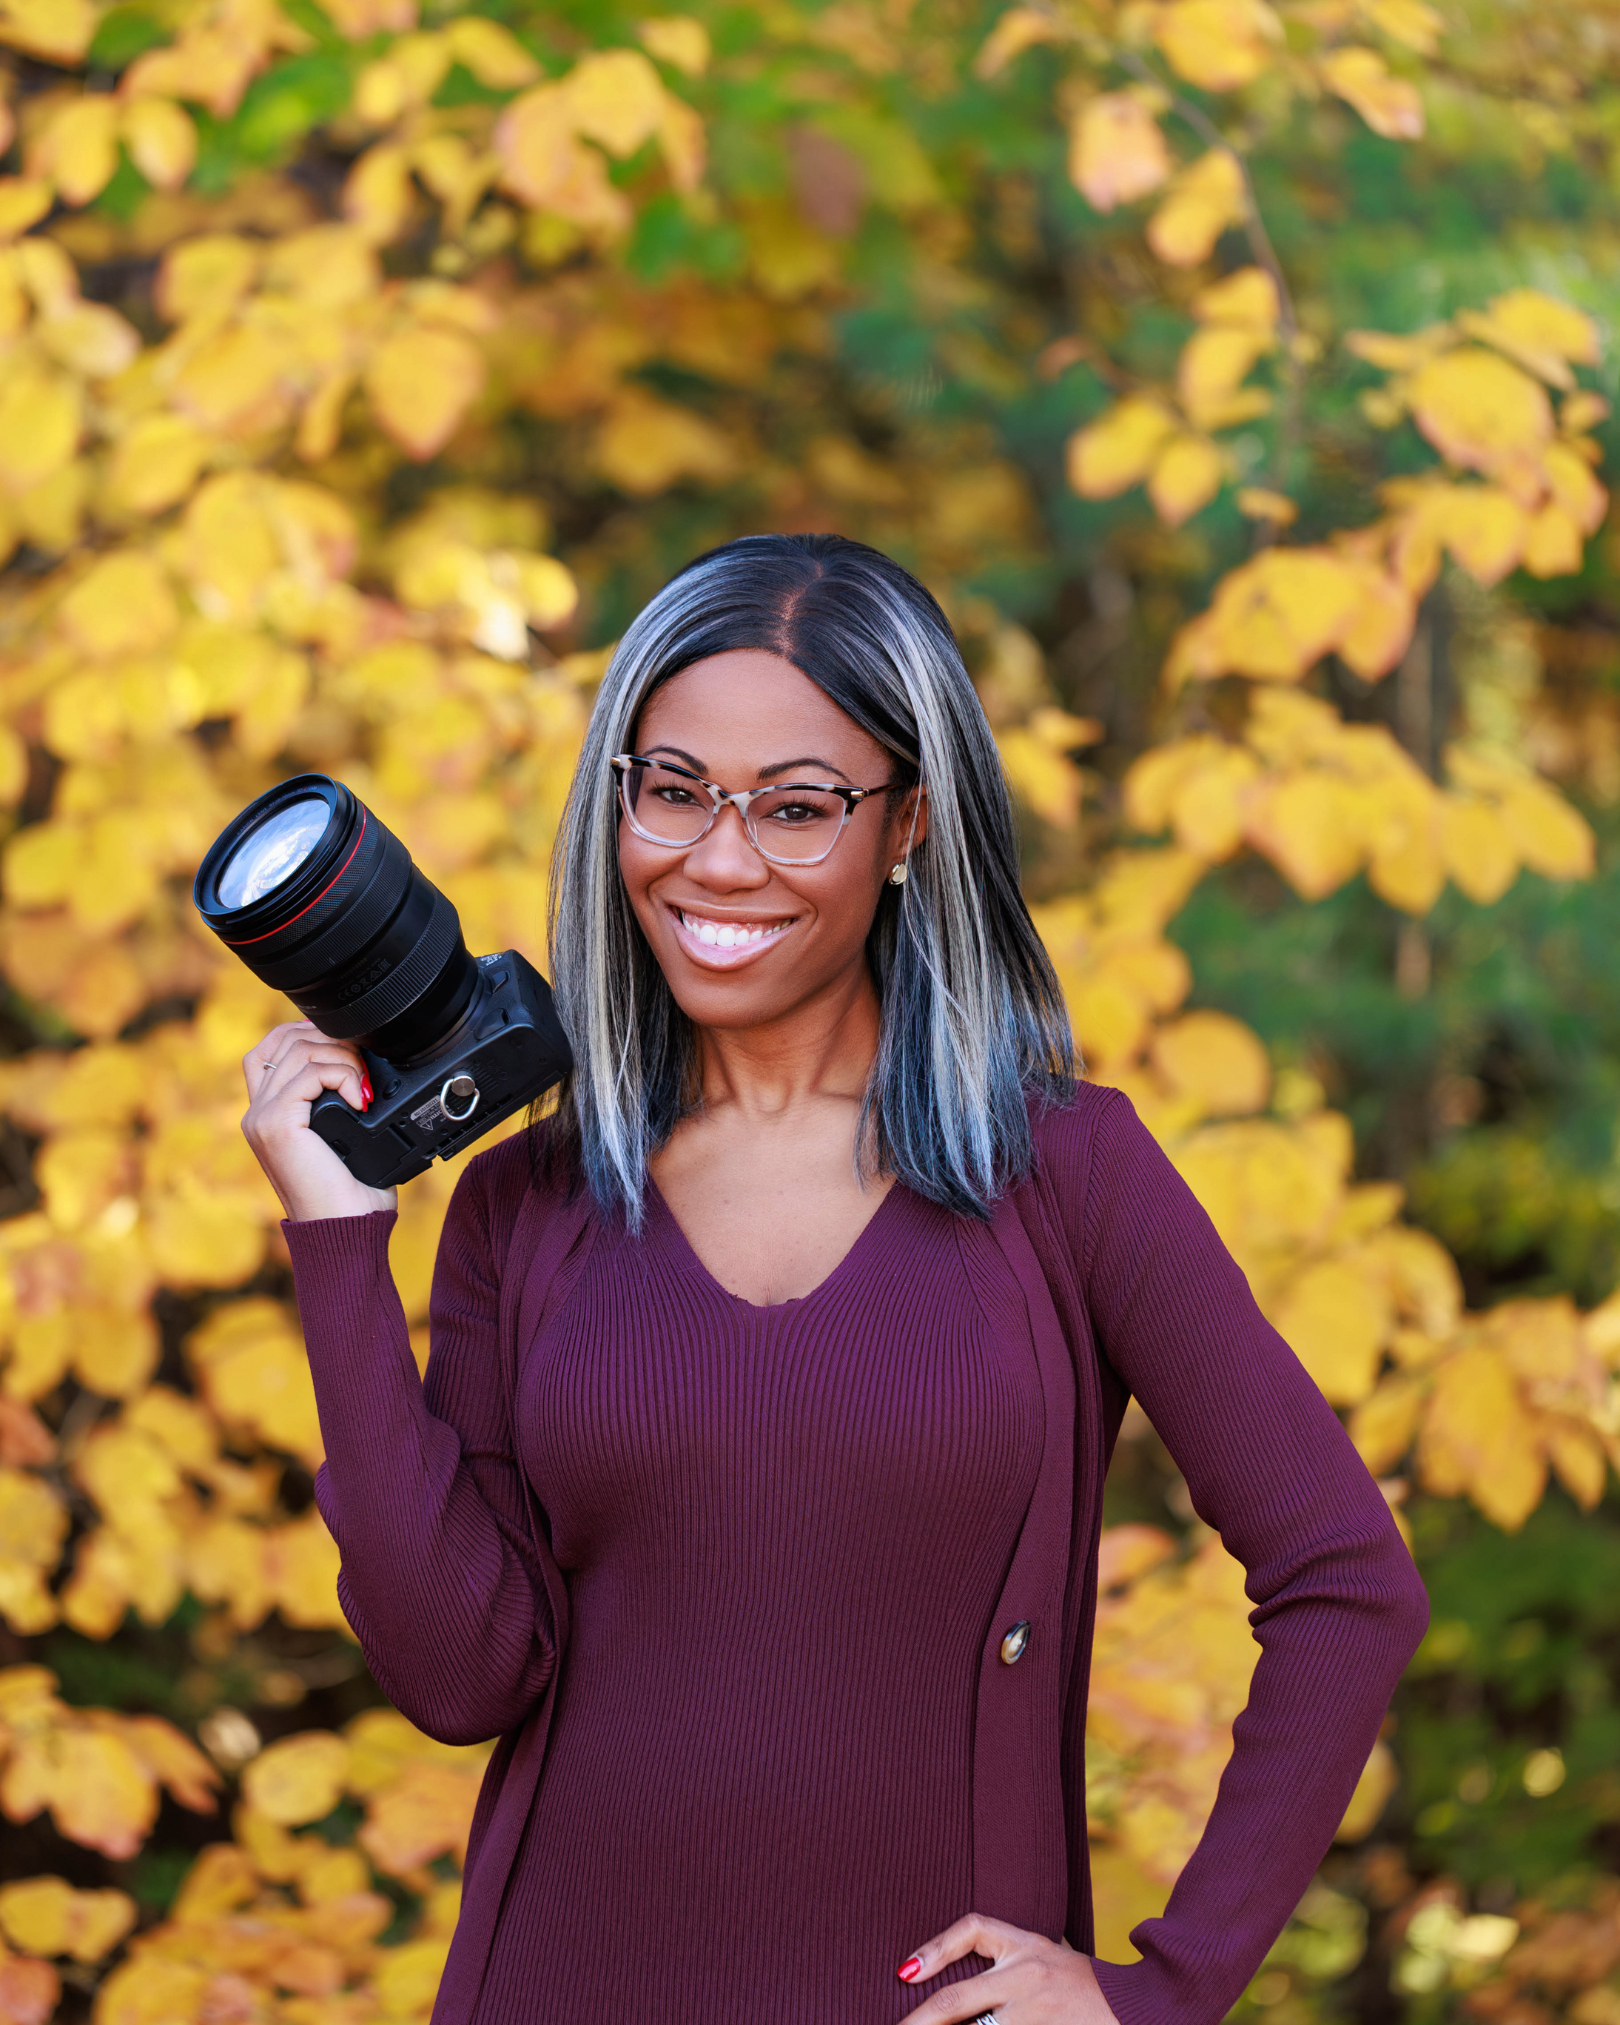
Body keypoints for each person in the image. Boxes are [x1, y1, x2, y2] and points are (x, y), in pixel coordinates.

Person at [242, 533, 1428, 2025]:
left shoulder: (1067, 1176)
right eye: (671, 790)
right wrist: (341, 1245)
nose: (718, 860)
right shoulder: (524, 1205)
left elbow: (1345, 1583)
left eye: (798, 809)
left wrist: (1164, 1992)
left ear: (912, 823)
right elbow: (457, 1680)